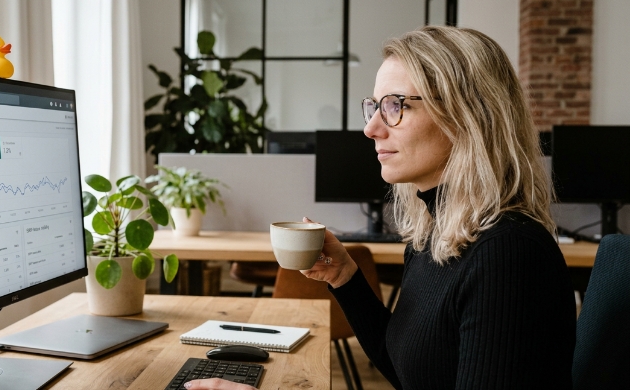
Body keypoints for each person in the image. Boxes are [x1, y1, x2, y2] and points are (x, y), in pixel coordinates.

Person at [184, 26, 576, 390]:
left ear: (467, 115)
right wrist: (346, 278)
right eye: (374, 106)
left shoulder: (508, 254)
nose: (371, 128)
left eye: (395, 105)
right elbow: (406, 368)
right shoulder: (434, 236)